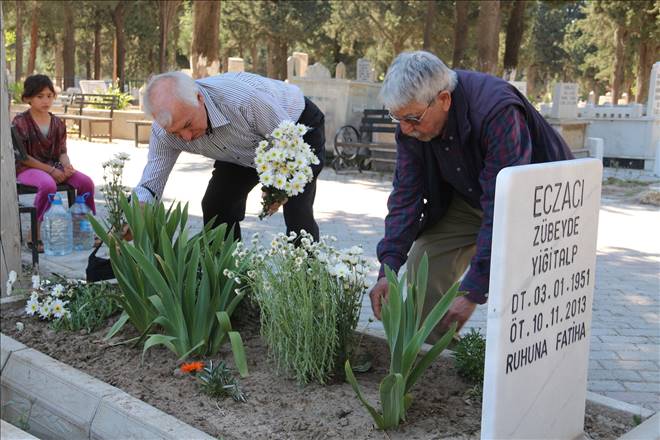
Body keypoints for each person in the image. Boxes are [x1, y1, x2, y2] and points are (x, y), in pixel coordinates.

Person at [369, 51, 574, 341]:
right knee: (424, 262)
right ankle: (436, 359)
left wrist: (473, 290)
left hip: (539, 204)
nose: (405, 129)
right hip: (469, 198)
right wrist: (387, 269)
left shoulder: (496, 111)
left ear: (443, 100)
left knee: (526, 294)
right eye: (397, 118)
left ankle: (522, 375)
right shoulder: (412, 128)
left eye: (412, 118)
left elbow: (505, 207)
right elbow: (405, 195)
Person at [136, 71, 325, 241]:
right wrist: (137, 211)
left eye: (187, 125)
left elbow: (288, 141)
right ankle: (226, 273)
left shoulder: (244, 101)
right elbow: (150, 183)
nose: (186, 138)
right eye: (175, 133)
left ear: (199, 98)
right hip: (240, 146)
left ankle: (307, 276)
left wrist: (275, 186)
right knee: (217, 204)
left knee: (297, 212)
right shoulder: (163, 132)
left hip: (294, 130)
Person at [13, 74, 96, 253]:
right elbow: (24, 157)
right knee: (48, 185)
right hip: (27, 168)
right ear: (28, 98)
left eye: (49, 96)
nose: (46, 100)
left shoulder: (58, 123)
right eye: (40, 96)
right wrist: (51, 171)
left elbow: (61, 152)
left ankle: (82, 230)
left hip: (53, 166)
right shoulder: (20, 122)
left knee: (86, 183)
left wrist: (67, 166)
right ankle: (33, 234)